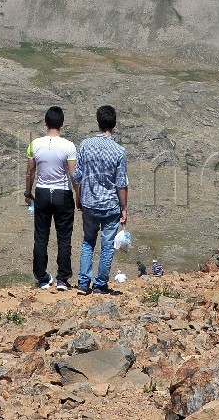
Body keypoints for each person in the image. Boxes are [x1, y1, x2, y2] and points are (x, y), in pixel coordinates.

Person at [73, 105, 128, 295]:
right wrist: (124, 208)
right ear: (114, 124)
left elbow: (77, 176)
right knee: (107, 246)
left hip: (88, 203)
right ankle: (99, 284)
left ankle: (82, 283)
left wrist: (78, 198)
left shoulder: (85, 145)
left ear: (98, 122)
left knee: (88, 241)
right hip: (111, 205)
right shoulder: (119, 151)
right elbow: (121, 184)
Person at [23, 106, 78, 290]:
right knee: (64, 237)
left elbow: (30, 172)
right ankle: (63, 279)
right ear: (62, 123)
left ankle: (42, 277)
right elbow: (73, 175)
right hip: (62, 193)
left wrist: (27, 193)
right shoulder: (69, 146)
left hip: (43, 192)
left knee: (41, 236)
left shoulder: (35, 144)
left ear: (45, 122)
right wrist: (78, 196)